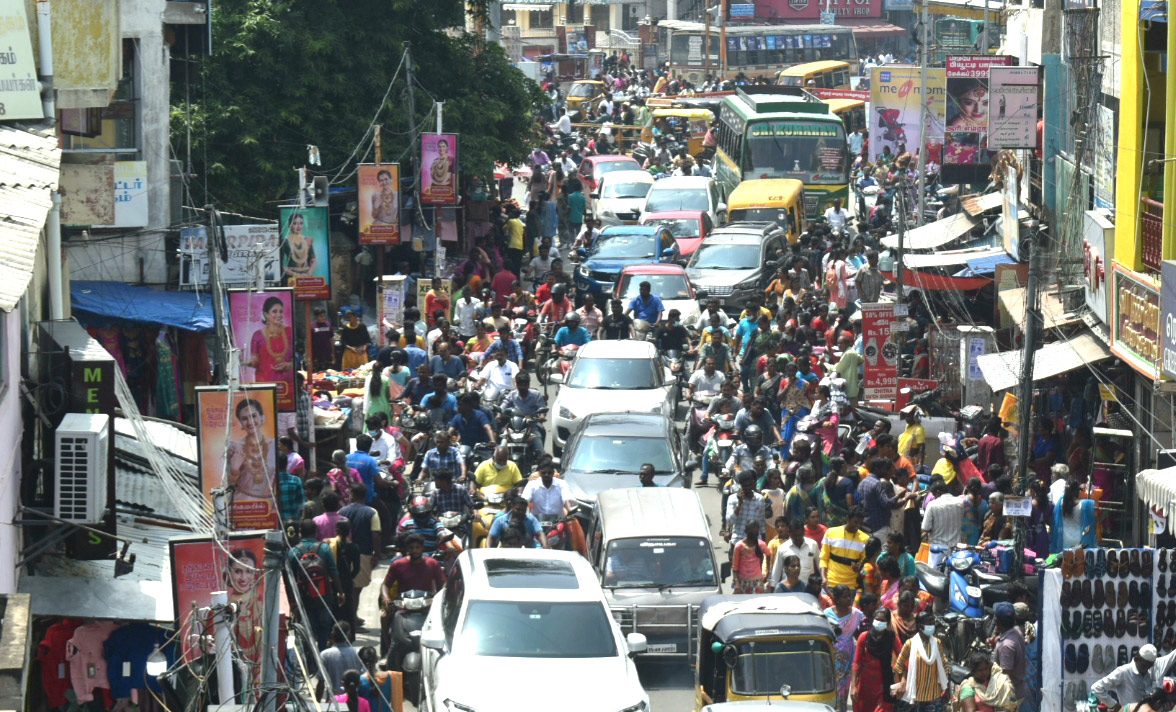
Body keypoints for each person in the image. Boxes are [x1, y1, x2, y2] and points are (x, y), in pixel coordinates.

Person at [289, 519, 344, 649]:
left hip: (304, 598)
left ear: (300, 533)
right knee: (324, 627)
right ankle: (323, 652)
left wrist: (292, 600)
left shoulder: (293, 552)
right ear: (316, 532)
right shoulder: (324, 548)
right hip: (324, 596)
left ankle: (310, 658)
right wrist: (340, 592)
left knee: (308, 630)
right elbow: (333, 571)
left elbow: (289, 579)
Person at [892, 610, 950, 711]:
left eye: (933, 623)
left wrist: (947, 688)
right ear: (920, 626)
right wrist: (901, 684)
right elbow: (898, 666)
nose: (932, 626)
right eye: (929, 624)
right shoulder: (910, 644)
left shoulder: (937, 643)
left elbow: (944, 666)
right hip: (915, 696)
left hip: (933, 695)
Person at [339, 482, 382, 614]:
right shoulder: (372, 512)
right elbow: (376, 535)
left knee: (349, 589)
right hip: (363, 554)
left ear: (352, 495)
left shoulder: (342, 511)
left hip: (343, 554)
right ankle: (353, 621)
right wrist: (377, 555)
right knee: (355, 590)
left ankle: (352, 618)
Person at [1092, 644, 1176, 708]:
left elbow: (1174, 655)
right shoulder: (1123, 672)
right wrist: (1113, 705)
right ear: (1136, 659)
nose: (1146, 669)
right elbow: (1096, 688)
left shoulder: (1155, 664)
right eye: (1144, 666)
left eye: (1149, 666)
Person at [226, 398, 276, 504]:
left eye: (253, 416)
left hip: (268, 505)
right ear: (240, 423)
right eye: (244, 418)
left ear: (262, 418)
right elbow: (226, 485)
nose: (250, 422)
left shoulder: (274, 445)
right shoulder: (234, 447)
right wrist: (234, 470)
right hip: (241, 504)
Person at [825, 584, 866, 712]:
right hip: (831, 656)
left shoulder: (856, 614)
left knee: (844, 690)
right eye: (844, 597)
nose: (848, 599)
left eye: (849, 596)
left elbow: (861, 635)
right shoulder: (826, 614)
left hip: (848, 657)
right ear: (836, 599)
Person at [853, 608, 901, 712]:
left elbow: (903, 658)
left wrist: (904, 680)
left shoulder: (892, 638)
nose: (879, 622)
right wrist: (853, 686)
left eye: (882, 621)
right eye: (877, 619)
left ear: (888, 623)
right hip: (865, 686)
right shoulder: (864, 637)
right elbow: (856, 663)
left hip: (885, 684)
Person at [245, 296, 294, 398]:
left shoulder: (289, 332)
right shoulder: (257, 335)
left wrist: (288, 365)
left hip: (286, 385)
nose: (278, 315)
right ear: (266, 314)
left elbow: (296, 359)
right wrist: (248, 363)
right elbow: (255, 361)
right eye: (274, 311)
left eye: (280, 311)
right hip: (264, 382)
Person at [380, 532, 445, 604]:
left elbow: (443, 583)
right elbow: (386, 585)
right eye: (411, 548)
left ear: (423, 548)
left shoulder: (433, 563)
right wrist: (386, 598)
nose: (414, 551)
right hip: (403, 607)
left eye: (417, 547)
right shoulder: (397, 564)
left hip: (426, 605)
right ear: (407, 549)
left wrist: (439, 598)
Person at [821, 506, 870, 591]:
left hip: (851, 587)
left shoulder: (865, 539)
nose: (858, 526)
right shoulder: (830, 533)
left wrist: (859, 569)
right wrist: (823, 578)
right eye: (855, 522)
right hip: (831, 584)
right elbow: (824, 558)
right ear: (848, 518)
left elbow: (864, 564)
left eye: (860, 523)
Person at [921, 479, 964, 567]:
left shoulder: (932, 505)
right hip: (955, 549)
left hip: (937, 550)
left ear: (938, 492)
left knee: (935, 577)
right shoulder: (960, 502)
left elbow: (925, 528)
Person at [769, 517, 821, 587]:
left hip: (808, 589)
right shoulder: (783, 548)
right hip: (789, 589)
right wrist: (773, 587)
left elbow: (820, 565)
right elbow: (777, 570)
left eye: (800, 535)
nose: (797, 538)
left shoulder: (813, 544)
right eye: (795, 535)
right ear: (789, 533)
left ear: (804, 532)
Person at [1051, 478, 1097, 552]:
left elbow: (1054, 520)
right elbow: (1093, 522)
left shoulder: (1061, 503)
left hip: (1064, 539)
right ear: (1078, 491)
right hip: (1079, 540)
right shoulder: (1085, 505)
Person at [321, 620, 363, 694]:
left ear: (332, 635)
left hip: (334, 700)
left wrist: (317, 703)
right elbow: (363, 677)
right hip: (354, 699)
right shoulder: (357, 653)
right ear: (349, 636)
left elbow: (321, 682)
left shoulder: (325, 654)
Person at [731, 521, 769, 593]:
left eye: (756, 532)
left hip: (757, 582)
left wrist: (767, 572)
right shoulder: (739, 546)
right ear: (746, 531)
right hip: (743, 582)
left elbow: (768, 555)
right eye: (752, 532)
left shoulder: (761, 545)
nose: (754, 534)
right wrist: (737, 583)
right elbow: (734, 567)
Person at [282, 212, 317, 282]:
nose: (298, 226)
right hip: (291, 278)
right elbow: (280, 265)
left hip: (306, 278)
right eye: (295, 223)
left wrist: (308, 274)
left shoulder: (308, 240)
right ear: (289, 225)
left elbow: (314, 261)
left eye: (301, 223)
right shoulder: (285, 242)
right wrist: (295, 274)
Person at [277, 454, 305, 523]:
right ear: (287, 464)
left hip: (276, 521)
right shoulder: (296, 480)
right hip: (293, 520)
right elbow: (301, 503)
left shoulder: (271, 481)